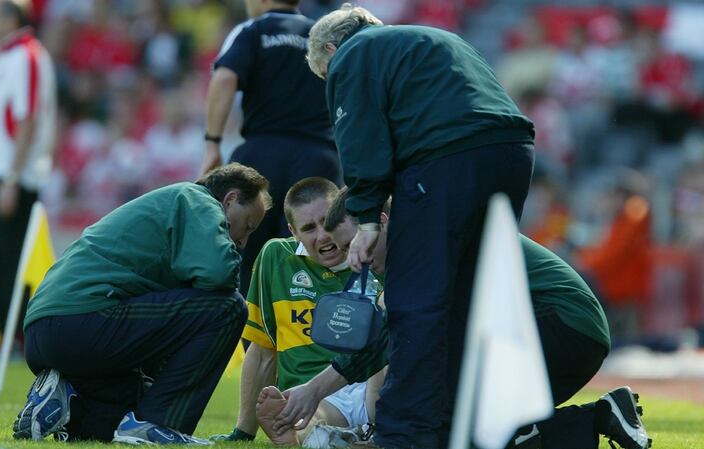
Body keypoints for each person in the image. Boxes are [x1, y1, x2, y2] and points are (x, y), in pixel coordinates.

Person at [307, 5, 536, 447]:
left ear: (332, 49)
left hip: (446, 159)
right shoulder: (432, 39)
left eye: (325, 74)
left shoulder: (353, 55)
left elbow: (362, 141)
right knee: (467, 301)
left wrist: (368, 219)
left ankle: (406, 434)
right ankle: (461, 429)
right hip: (512, 153)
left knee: (418, 301)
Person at [269, 187, 651, 449]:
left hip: (560, 324)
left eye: (358, 244)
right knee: (465, 427)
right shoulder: (421, 238)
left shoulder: (420, 248)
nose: (357, 257)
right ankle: (601, 418)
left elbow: (389, 339)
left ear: (381, 222)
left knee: (438, 414)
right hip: (568, 328)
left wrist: (314, 390)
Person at [11, 163, 271, 444]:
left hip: (44, 334)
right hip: (84, 318)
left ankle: (67, 400)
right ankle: (157, 424)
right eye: (246, 226)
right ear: (229, 200)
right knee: (229, 308)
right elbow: (219, 272)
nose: (243, 242)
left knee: (118, 417)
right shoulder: (197, 199)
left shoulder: (170, 209)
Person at [212, 178, 383, 447]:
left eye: (327, 221)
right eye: (308, 228)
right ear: (293, 232)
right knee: (311, 422)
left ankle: (366, 434)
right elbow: (262, 350)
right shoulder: (276, 258)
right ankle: (319, 437)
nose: (323, 236)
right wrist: (243, 432)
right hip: (316, 396)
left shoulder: (374, 253)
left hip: (377, 383)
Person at [202, 0, 342, 295]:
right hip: (319, 158)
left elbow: (225, 77)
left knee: (241, 252)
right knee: (310, 259)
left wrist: (212, 143)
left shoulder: (253, 30)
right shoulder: (322, 34)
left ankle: (243, 334)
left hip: (260, 156)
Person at [0, 0, 57, 359]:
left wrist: (12, 176)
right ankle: (4, 337)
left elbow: (28, 118)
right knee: (0, 257)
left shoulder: (27, 57)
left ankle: (18, 339)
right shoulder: (5, 58)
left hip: (13, 176)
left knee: (12, 260)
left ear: (10, 18)